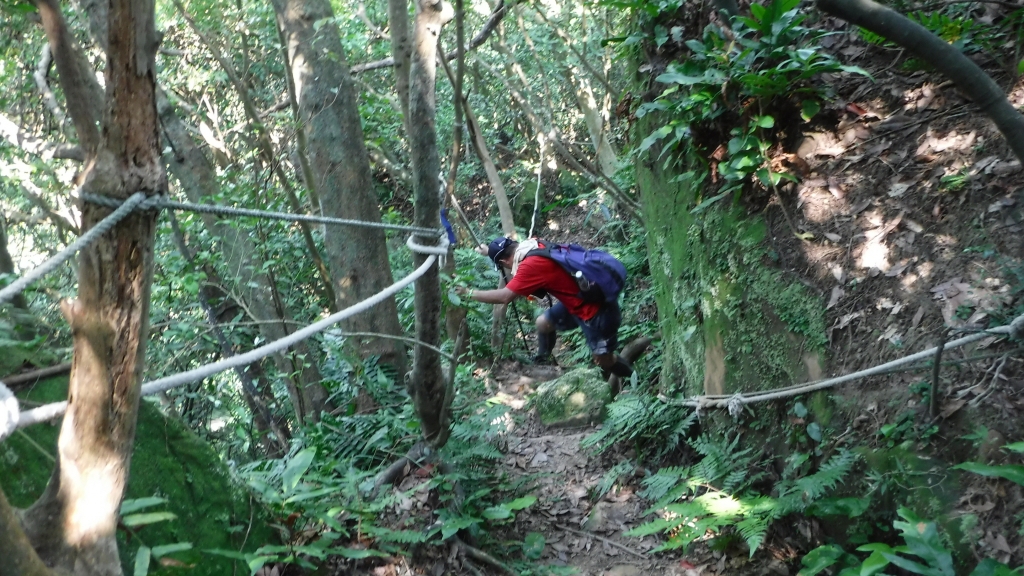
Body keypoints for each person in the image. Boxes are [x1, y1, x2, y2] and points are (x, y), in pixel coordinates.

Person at [455, 237, 634, 378]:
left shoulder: (530, 266)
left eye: (502, 265)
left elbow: (505, 297)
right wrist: (489, 252)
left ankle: (635, 381)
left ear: (504, 262)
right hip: (577, 303)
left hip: (597, 313)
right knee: (543, 323)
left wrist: (468, 292)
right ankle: (544, 362)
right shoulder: (533, 245)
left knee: (605, 360)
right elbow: (508, 255)